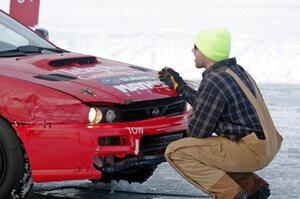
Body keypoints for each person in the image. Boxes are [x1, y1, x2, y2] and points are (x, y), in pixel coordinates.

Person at [158, 28, 283, 199]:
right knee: (211, 148)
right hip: (266, 144)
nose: (192, 51)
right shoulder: (234, 71)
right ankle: (253, 188)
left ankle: (228, 194)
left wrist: (178, 133)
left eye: (196, 47)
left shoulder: (214, 80)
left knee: (177, 151)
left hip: (252, 150)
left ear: (206, 51)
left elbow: (198, 132)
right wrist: (180, 87)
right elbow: (208, 105)